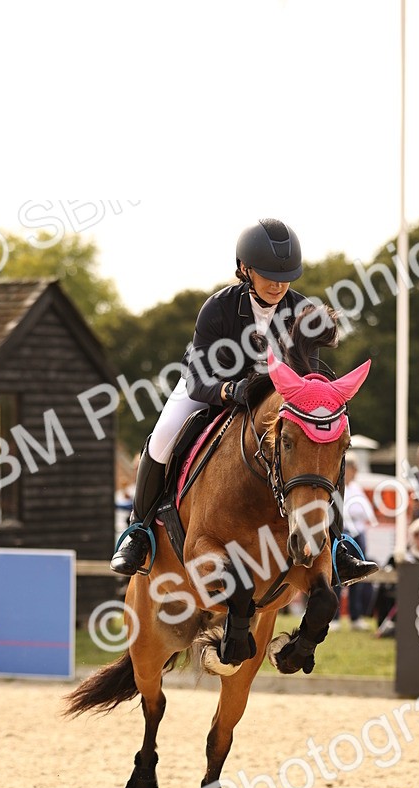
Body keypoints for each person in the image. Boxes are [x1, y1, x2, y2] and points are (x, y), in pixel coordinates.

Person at [110, 218, 378, 585]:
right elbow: (198, 375)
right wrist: (228, 391)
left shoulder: (301, 312)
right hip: (211, 391)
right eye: (268, 274)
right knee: (163, 434)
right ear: (244, 269)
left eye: (285, 275)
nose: (278, 283)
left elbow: (306, 383)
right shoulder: (218, 309)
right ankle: (138, 531)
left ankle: (339, 544)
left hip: (275, 404)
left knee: (324, 440)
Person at [335, 454, 376, 629]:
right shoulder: (337, 487)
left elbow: (367, 513)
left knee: (358, 577)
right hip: (343, 534)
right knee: (337, 576)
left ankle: (356, 617)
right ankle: (334, 617)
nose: (357, 472)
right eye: (355, 468)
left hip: (358, 534)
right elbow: (343, 511)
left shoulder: (357, 488)